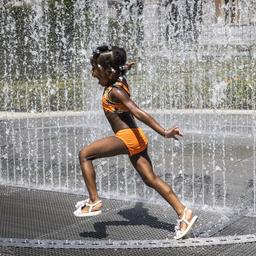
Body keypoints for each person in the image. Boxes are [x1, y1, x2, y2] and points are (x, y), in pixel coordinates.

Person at [73, 45, 198, 240]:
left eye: (96, 70)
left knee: (85, 154)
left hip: (128, 137)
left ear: (108, 71)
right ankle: (184, 213)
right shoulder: (120, 80)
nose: (93, 73)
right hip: (137, 137)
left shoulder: (115, 91)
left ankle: (94, 201)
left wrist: (164, 132)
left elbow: (138, 112)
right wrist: (125, 68)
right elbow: (119, 71)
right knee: (151, 179)